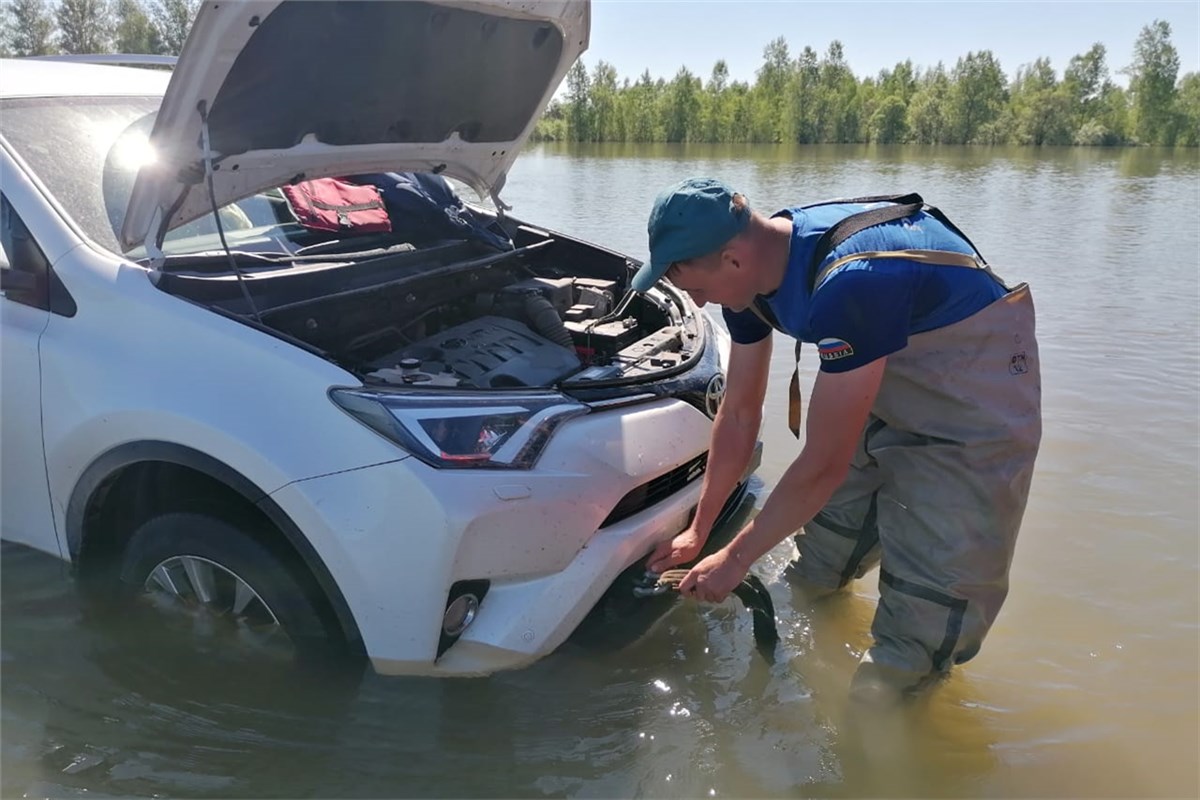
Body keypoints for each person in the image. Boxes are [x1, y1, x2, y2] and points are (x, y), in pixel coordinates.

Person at [635, 177, 1041, 701]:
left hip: (972, 400)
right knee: (819, 562)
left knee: (914, 641)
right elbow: (738, 415)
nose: (697, 301)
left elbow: (824, 462)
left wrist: (735, 560)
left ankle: (878, 741)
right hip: (878, 372)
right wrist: (700, 531)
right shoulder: (752, 277)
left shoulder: (854, 281)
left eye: (691, 284)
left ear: (732, 258)